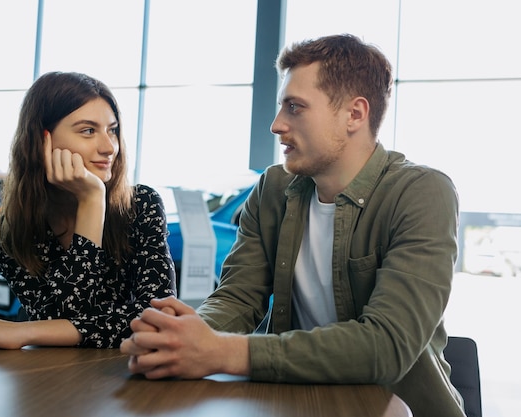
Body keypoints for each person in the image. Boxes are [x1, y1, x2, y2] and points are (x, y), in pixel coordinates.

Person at [120, 34, 465, 417]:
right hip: (295, 401)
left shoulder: (422, 192)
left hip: (400, 408)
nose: (276, 124)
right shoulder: (273, 188)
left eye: (295, 107)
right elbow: (237, 298)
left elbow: (386, 347)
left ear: (354, 114)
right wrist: (184, 337)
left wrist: (220, 351)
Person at [0, 72, 176, 349]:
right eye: (88, 130)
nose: (109, 147)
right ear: (43, 140)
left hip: (129, 374)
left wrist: (25, 332)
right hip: (50, 379)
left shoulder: (141, 205)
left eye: (112, 130)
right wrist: (92, 204)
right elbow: (59, 316)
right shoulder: (5, 230)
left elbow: (158, 321)